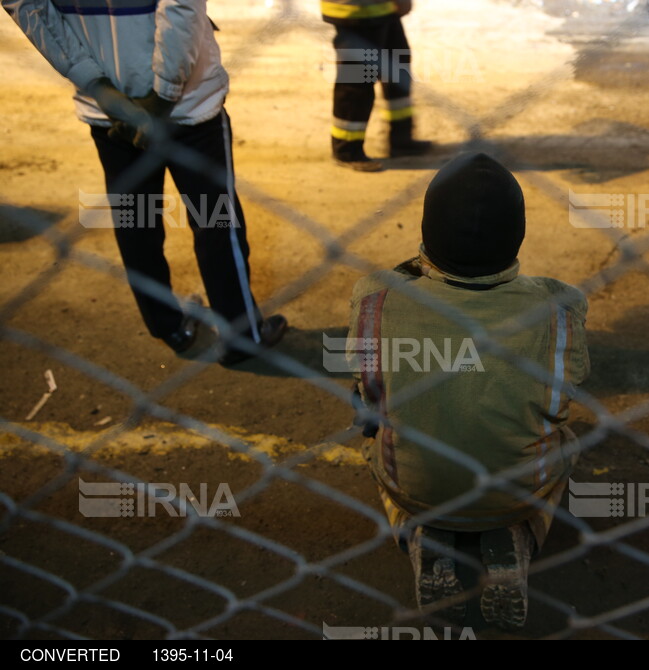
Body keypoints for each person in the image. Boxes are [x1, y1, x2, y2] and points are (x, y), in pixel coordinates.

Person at [347, 153, 589, 629]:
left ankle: (419, 533)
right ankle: (519, 535)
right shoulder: (560, 306)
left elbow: (369, 392)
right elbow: (560, 404)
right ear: (516, 235)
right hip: (514, 490)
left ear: (427, 232)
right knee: (568, 444)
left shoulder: (377, 297)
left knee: (374, 431)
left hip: (415, 484)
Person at [2, 0, 287, 366]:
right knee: (214, 218)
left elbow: (29, 7)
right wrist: (161, 97)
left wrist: (103, 90)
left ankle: (168, 326)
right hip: (187, 108)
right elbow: (180, 7)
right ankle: (241, 335)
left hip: (110, 113)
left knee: (136, 219)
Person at [322, 0, 432, 171]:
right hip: (356, 10)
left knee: (397, 66)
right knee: (357, 80)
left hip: (378, 8)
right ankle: (347, 150)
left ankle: (401, 139)